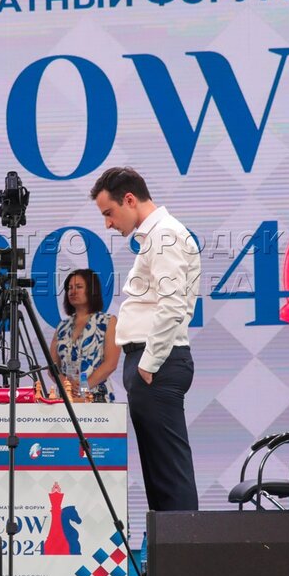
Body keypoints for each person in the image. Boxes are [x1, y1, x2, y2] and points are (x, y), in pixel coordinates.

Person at [90, 167, 200, 512]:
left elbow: (172, 305)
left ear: (129, 199)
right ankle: (171, 544)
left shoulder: (165, 234)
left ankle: (184, 545)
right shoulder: (157, 235)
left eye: (109, 213)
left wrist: (149, 364)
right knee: (160, 474)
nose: (108, 224)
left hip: (157, 362)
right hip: (152, 361)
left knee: (169, 475)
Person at [49, 269, 120, 400]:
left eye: (79, 287)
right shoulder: (62, 326)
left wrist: (83, 387)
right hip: (65, 398)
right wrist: (64, 383)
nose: (73, 291)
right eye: (70, 288)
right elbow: (52, 367)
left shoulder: (108, 321)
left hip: (97, 397)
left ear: (92, 290)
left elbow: (111, 363)